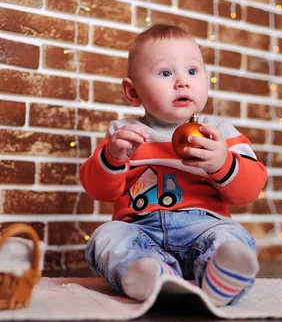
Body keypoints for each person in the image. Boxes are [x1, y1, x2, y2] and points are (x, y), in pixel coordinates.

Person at [79, 24, 267, 306]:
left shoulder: (219, 132)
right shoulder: (124, 132)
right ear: (133, 92)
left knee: (231, 237)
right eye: (166, 73)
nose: (182, 82)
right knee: (106, 236)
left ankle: (220, 275)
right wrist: (113, 157)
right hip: (140, 230)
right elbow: (99, 190)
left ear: (206, 79)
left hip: (204, 228)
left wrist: (221, 162)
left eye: (192, 71)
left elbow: (249, 191)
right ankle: (151, 273)